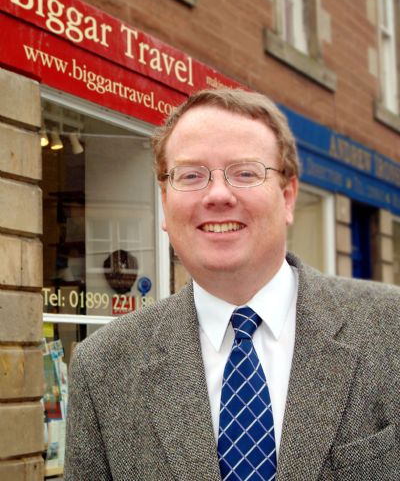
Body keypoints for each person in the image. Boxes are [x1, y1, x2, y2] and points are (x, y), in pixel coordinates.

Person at [65, 89, 400, 481]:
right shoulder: (102, 367)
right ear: (164, 202)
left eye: (245, 172)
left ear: (288, 196)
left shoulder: (390, 329)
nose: (218, 195)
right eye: (191, 175)